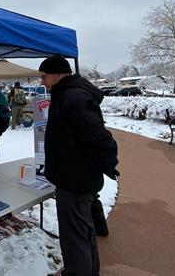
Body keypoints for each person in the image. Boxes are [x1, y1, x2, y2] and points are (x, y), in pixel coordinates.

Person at [38, 54, 119, 276]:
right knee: (83, 231)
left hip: (74, 180)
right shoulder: (68, 94)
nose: (42, 82)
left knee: (74, 237)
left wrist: (107, 163)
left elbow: (97, 136)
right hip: (77, 177)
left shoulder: (72, 97)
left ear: (57, 74)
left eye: (44, 76)